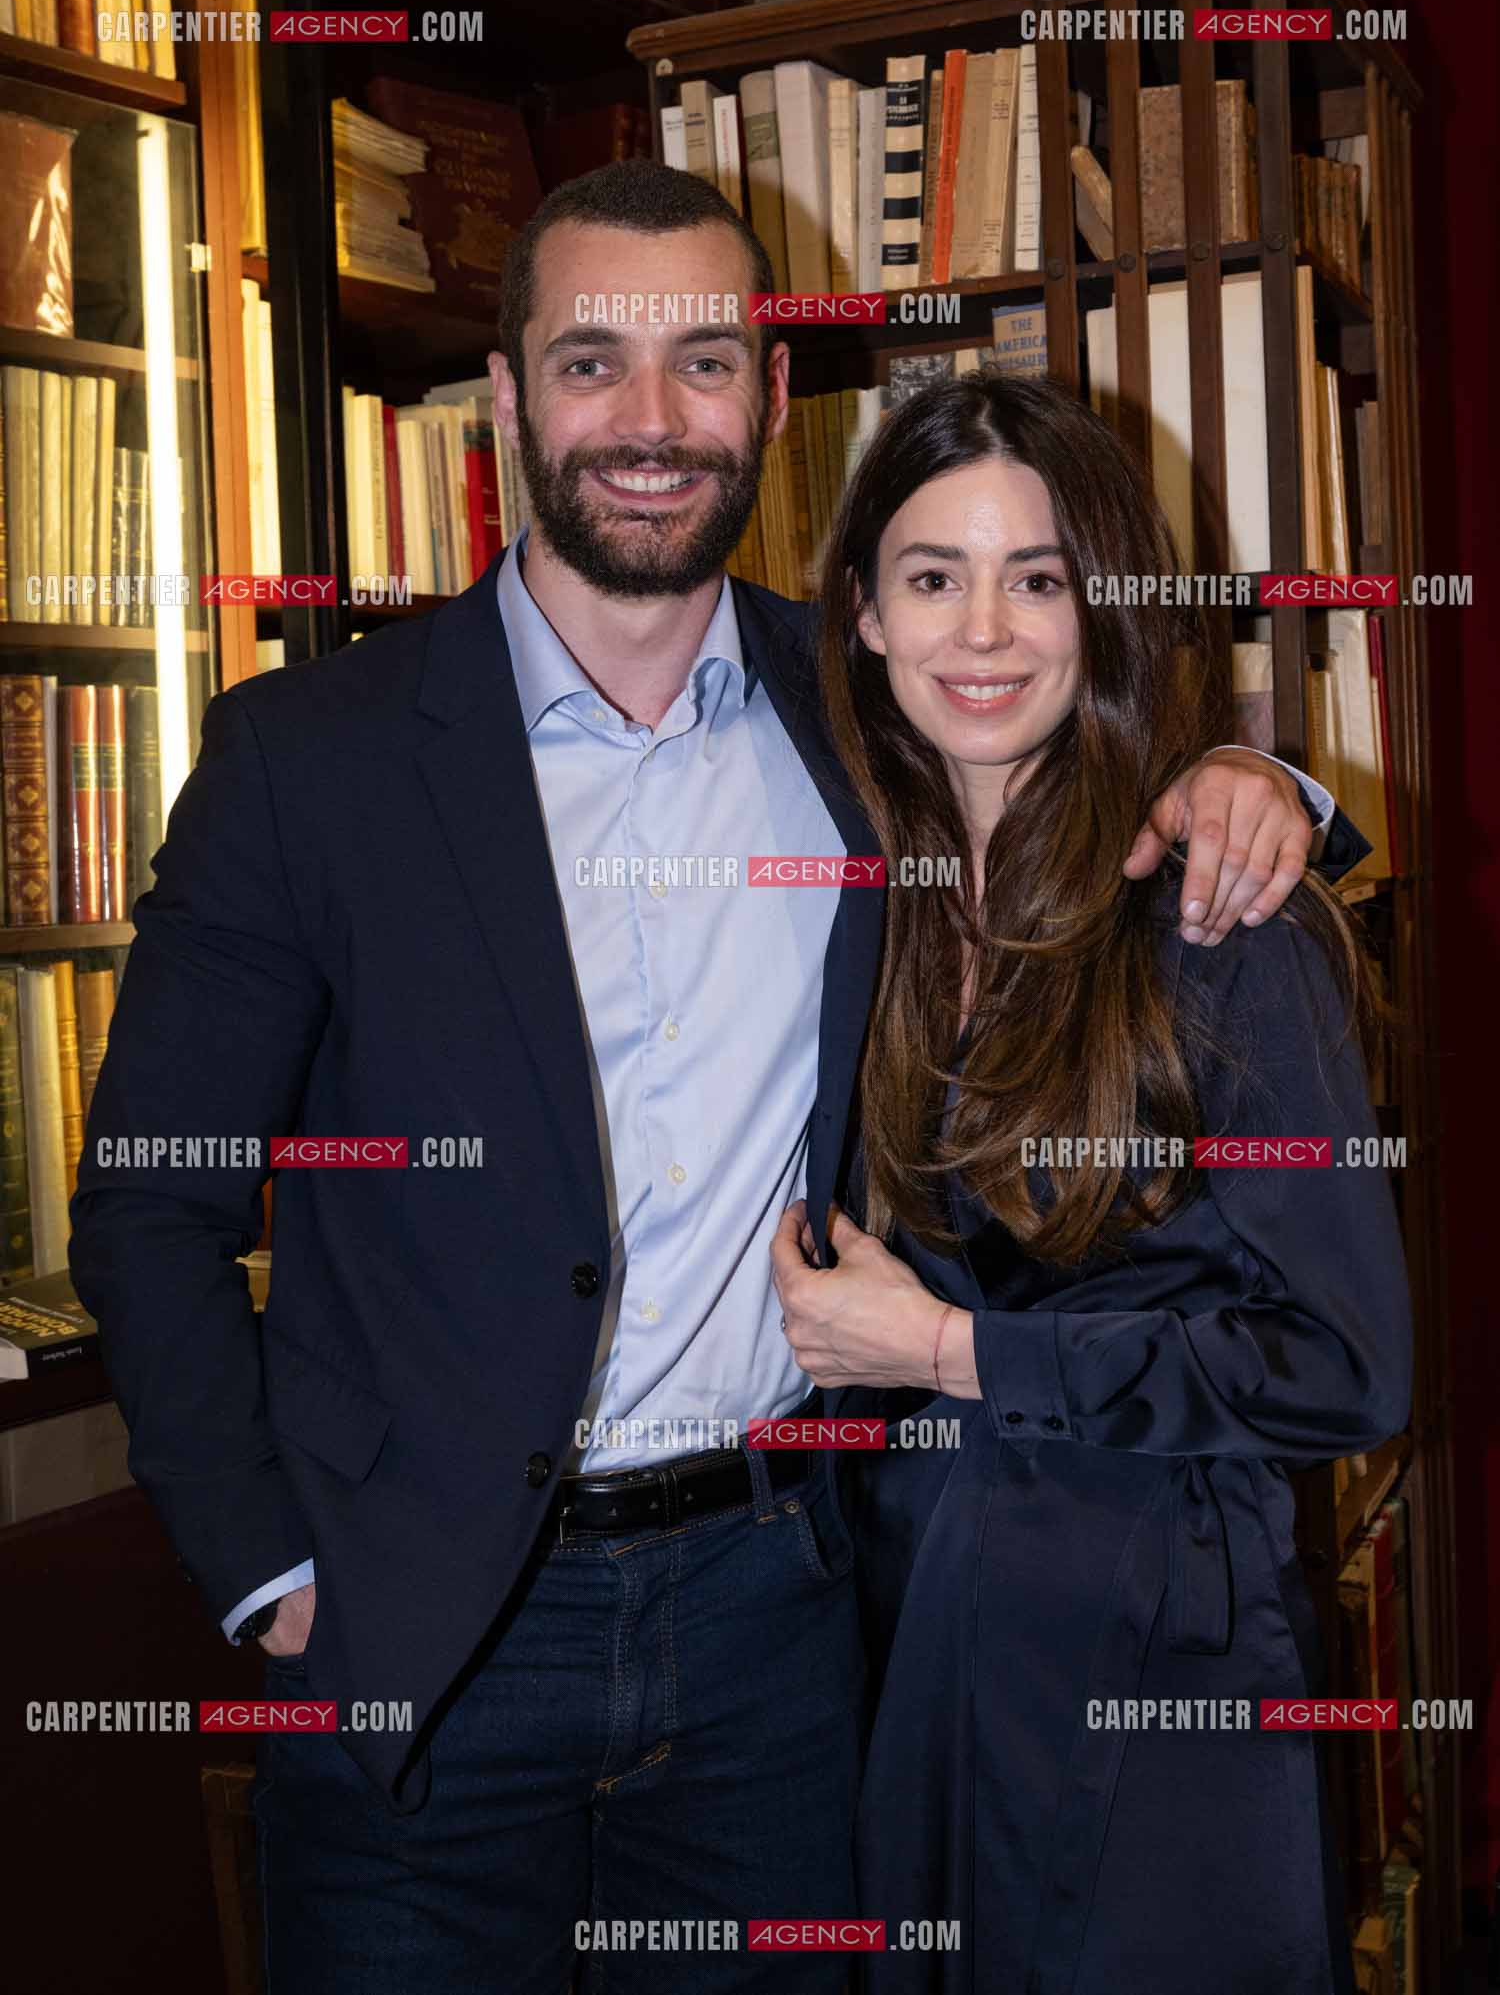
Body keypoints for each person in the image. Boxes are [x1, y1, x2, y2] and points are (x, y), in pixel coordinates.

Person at [69, 166, 1362, 1993]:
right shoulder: (311, 759)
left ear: (769, 399)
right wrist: (268, 1564)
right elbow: (152, 1197)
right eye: (591, 362)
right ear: (510, 402)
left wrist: (1261, 794)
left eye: (702, 363)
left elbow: (1070, 770)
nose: (651, 421)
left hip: (780, 1618)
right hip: (423, 1626)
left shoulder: (867, 714)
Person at [770, 370, 1412, 1995]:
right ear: (859, 614)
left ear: (1101, 606)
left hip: (1157, 1658)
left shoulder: (1221, 922)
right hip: (917, 1634)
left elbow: (1346, 1362)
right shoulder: (865, 901)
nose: (983, 629)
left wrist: (951, 1353)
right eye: (933, 576)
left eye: (1037, 577)